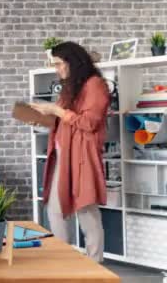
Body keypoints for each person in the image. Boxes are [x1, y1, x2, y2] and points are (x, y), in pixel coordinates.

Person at [30, 41, 108, 262]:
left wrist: (55, 109)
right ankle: (64, 260)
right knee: (54, 209)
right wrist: (41, 117)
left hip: (82, 157)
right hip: (63, 157)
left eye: (58, 64)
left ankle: (95, 262)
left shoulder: (95, 85)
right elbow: (63, 121)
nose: (56, 69)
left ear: (72, 62)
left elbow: (89, 122)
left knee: (86, 210)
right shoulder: (70, 87)